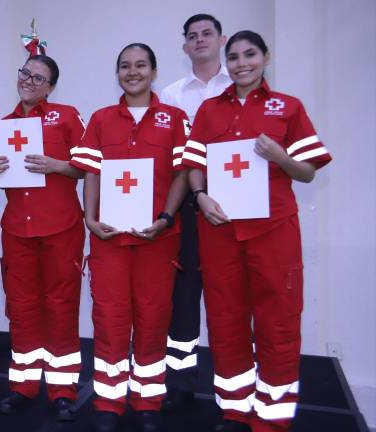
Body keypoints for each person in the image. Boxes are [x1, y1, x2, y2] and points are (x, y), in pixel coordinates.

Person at [182, 31, 332, 432]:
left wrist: (279, 156)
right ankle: (234, 409)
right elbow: (194, 163)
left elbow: (308, 171)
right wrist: (200, 196)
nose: (241, 63)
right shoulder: (209, 110)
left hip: (273, 231)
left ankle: (272, 417)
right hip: (220, 230)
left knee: (277, 322)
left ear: (266, 56)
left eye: (250, 55)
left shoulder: (288, 107)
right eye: (233, 57)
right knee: (225, 319)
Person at [70, 44, 189, 432]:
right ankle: (108, 400)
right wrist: (90, 217)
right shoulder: (102, 120)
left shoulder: (174, 118)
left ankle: (148, 401)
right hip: (109, 239)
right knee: (109, 318)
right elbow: (92, 172)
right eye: (125, 66)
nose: (132, 72)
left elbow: (182, 174)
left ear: (154, 71)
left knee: (154, 318)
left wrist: (166, 217)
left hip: (158, 238)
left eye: (141, 65)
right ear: (117, 72)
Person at [0, 55, 86, 422]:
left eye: (38, 77)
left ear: (51, 85)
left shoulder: (66, 115)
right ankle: (23, 385)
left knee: (61, 307)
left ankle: (63, 389)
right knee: (22, 308)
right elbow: (1, 180)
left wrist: (56, 165)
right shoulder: (5, 124)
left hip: (60, 226)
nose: (28, 81)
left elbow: (86, 165)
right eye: (24, 73)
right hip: (18, 228)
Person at [158, 13, 231, 409]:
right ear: (184, 46)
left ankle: (231, 389)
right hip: (188, 206)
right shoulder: (171, 95)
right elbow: (171, 157)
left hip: (236, 206)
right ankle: (181, 383)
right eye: (192, 36)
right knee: (182, 299)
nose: (200, 40)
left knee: (229, 299)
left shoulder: (239, 88)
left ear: (221, 40)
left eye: (207, 34)